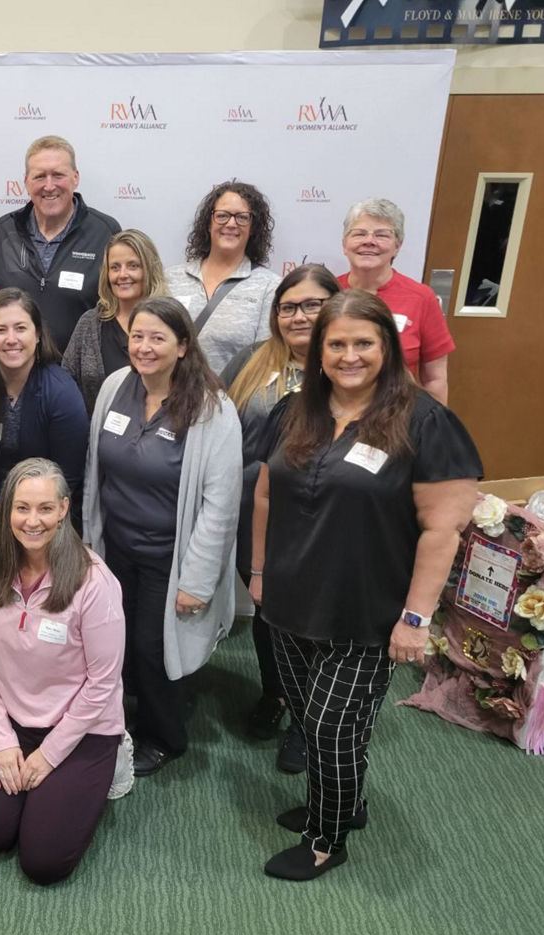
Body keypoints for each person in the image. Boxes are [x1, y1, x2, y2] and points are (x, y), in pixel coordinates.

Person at [249, 289, 480, 881]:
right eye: (337, 344)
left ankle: (326, 839)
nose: (350, 355)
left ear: (388, 348)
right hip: (289, 599)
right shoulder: (299, 409)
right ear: (318, 353)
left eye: (363, 343)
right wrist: (256, 572)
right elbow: (267, 493)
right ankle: (346, 804)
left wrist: (417, 617)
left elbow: (441, 528)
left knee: (330, 728)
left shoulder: (424, 421)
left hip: (366, 610)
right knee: (314, 719)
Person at [84, 296, 242, 776]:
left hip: (169, 557)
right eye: (138, 336)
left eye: (158, 338)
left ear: (183, 346)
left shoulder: (211, 409)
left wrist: (196, 578)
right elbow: (96, 472)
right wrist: (91, 544)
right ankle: (133, 717)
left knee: (155, 650)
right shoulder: (115, 387)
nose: (145, 347)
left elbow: (221, 504)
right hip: (116, 548)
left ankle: (165, 737)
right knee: (121, 641)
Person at [0, 458, 125, 885]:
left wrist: (50, 756)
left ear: (65, 509)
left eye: (45, 508)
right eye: (21, 508)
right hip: (16, 723)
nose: (33, 521)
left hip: (83, 730)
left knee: (43, 863)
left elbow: (103, 682)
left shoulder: (95, 583)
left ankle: (110, 764)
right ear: (7, 509)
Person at [220, 264, 341, 772]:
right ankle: (276, 694)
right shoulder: (253, 360)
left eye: (312, 305)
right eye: (288, 307)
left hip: (320, 520)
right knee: (267, 611)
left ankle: (309, 721)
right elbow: (216, 417)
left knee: (314, 621)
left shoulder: (346, 365)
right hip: (256, 512)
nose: (298, 316)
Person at [0, 136, 120, 355]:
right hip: (13, 373)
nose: (49, 185)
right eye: (40, 176)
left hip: (81, 378)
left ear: (75, 178)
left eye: (58, 175)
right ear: (26, 182)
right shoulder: (5, 231)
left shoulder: (104, 232)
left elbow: (122, 308)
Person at [0, 288, 88, 532]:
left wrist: (28, 523)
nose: (11, 339)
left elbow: (67, 479)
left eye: (21, 328)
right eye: (1, 330)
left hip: (46, 523)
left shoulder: (61, 393)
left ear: (37, 335)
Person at [337, 198, 454, 403]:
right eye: (359, 233)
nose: (369, 241)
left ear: (397, 246)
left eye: (382, 235)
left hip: (397, 416)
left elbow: (435, 379)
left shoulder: (421, 298)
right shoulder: (327, 293)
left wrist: (435, 428)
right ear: (344, 244)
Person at [164, 180, 279, 374]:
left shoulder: (269, 286)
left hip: (232, 401)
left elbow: (264, 361)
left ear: (253, 228)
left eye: (242, 217)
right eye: (222, 216)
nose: (231, 223)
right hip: (171, 398)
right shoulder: (172, 278)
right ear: (208, 223)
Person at [63, 229, 168, 415]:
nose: (122, 275)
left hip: (157, 438)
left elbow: (187, 381)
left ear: (149, 269)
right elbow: (66, 384)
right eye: (115, 267)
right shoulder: (90, 323)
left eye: (133, 266)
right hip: (98, 438)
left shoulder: (170, 322)